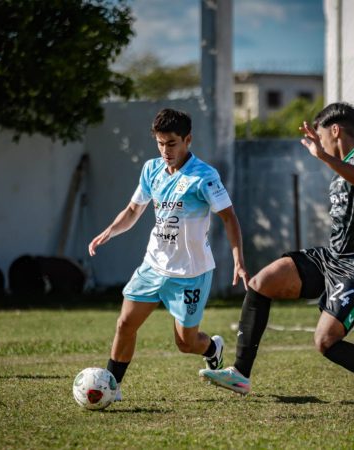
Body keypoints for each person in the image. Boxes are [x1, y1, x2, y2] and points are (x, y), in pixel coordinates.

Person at [199, 102, 354, 419]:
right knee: (261, 283)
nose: (319, 143)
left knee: (326, 341)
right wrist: (328, 157)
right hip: (332, 258)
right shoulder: (343, 164)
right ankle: (240, 374)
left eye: (321, 136)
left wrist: (324, 157)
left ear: (335, 130)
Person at [89, 108, 249, 401]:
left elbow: (229, 217)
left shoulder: (204, 177)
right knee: (125, 324)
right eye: (160, 143)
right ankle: (112, 387)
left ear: (188, 140)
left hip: (190, 273)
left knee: (186, 343)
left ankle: (212, 348)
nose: (165, 150)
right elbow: (134, 209)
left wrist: (238, 259)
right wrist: (110, 231)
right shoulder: (152, 169)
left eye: (172, 143)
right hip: (153, 265)